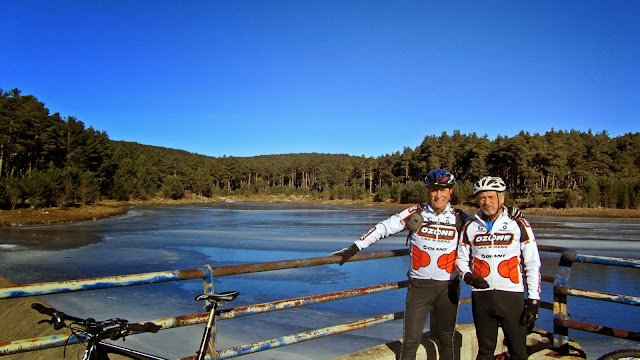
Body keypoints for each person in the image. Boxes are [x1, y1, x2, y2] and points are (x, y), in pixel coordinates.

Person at [332, 169, 469, 360]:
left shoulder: (460, 219)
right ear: (428, 192)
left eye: (443, 190)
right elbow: (384, 227)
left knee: (447, 339)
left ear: (450, 192)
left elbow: (482, 241)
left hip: (448, 288)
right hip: (419, 287)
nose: (438, 195)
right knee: (411, 342)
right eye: (434, 190)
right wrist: (354, 247)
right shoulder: (416, 213)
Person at [455, 176, 541, 360]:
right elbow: (460, 259)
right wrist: (468, 276)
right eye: (482, 198)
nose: (487, 202)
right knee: (485, 351)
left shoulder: (518, 224)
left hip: (512, 296)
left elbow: (532, 264)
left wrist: (533, 301)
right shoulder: (470, 227)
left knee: (518, 352)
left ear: (502, 199)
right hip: (482, 297)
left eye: (491, 197)